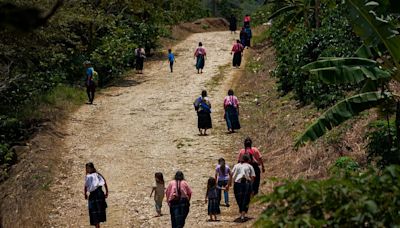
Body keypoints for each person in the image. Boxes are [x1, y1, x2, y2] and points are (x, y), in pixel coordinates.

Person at [230, 155, 255, 222]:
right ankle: (242, 212)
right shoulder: (248, 166)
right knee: (243, 199)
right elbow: (252, 177)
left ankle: (242, 215)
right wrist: (251, 187)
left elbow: (231, 174)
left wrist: (229, 183)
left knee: (242, 199)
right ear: (248, 160)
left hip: (239, 184)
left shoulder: (241, 166)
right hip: (244, 184)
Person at [84, 162, 108, 228]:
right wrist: (85, 194)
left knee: (97, 212)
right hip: (93, 196)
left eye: (89, 168)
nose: (87, 170)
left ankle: (97, 225)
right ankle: (97, 226)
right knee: (93, 212)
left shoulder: (97, 175)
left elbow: (104, 182)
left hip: (99, 195)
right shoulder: (88, 176)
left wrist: (107, 192)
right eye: (86, 168)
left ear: (92, 168)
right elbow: (86, 186)